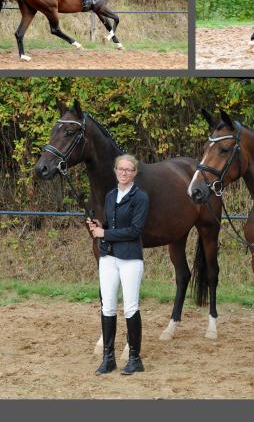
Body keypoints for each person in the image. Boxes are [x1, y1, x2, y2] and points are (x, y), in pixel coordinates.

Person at [88, 154, 149, 375]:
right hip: (108, 257)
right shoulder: (111, 195)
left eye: (129, 170)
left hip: (130, 258)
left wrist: (105, 232)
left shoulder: (140, 197)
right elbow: (111, 223)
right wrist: (99, 224)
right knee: (108, 306)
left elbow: (135, 230)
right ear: (115, 171)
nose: (124, 173)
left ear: (134, 173)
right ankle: (108, 358)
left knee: (131, 306)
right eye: (121, 169)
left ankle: (134, 358)